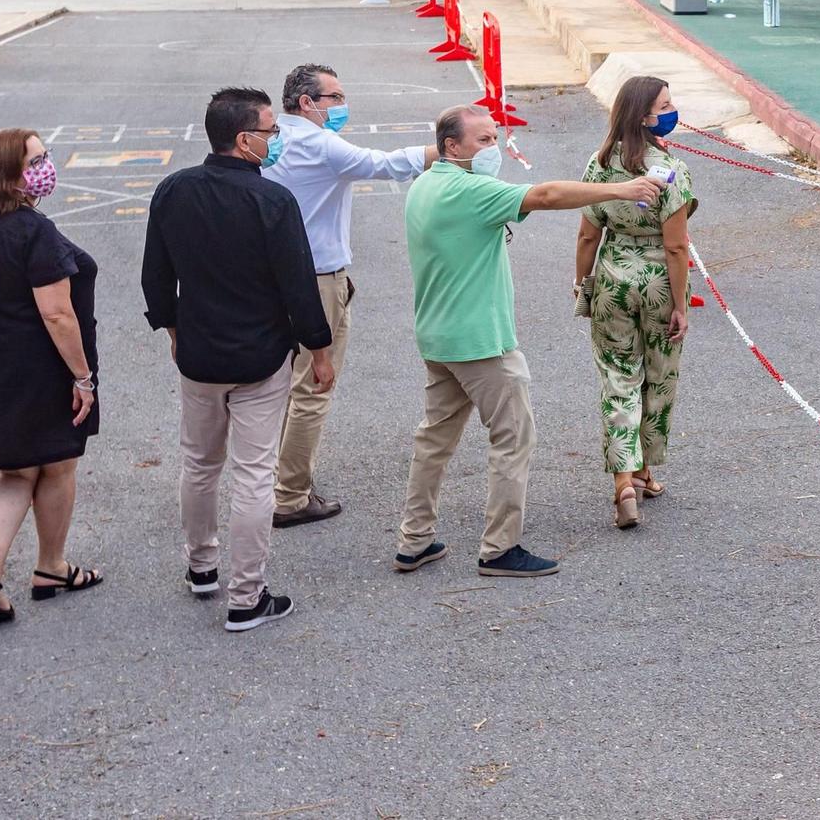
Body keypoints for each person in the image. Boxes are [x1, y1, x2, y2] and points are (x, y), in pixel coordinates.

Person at [394, 104, 663, 579]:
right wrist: (620, 188)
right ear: (451, 146)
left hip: (438, 336)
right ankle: (500, 548)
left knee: (434, 440)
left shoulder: (425, 185)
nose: (493, 149)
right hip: (482, 343)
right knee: (513, 440)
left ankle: (414, 539)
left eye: (495, 138)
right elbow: (546, 193)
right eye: (482, 140)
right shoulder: (469, 189)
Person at [141, 87, 335, 634]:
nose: (275, 140)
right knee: (254, 474)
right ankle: (247, 595)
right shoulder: (272, 201)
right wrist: (318, 350)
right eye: (270, 132)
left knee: (200, 463)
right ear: (245, 139)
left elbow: (156, 272)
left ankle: (202, 565)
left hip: (198, 352)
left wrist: (172, 327)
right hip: (261, 356)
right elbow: (299, 286)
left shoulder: (173, 190)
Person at [264, 63, 435, 530]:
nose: (342, 106)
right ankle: (290, 494)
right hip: (319, 278)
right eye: (334, 97)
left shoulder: (273, 138)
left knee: (282, 385)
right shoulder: (319, 143)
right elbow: (379, 164)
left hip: (277, 277)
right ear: (307, 103)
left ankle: (272, 481)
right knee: (313, 387)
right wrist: (441, 152)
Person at [0, 128, 101, 625]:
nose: (47, 165)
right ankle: (51, 567)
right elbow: (57, 314)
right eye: (36, 159)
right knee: (58, 465)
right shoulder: (33, 232)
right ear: (11, 173)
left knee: (15, 471)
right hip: (42, 369)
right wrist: (82, 377)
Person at [574, 77, 697, 530]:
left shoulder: (600, 163)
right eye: (665, 104)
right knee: (658, 378)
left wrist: (581, 282)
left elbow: (589, 233)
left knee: (618, 377)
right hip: (659, 282)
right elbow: (676, 247)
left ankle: (626, 480)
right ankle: (647, 469)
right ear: (645, 116)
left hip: (612, 278)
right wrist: (681, 303)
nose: (672, 109)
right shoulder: (671, 169)